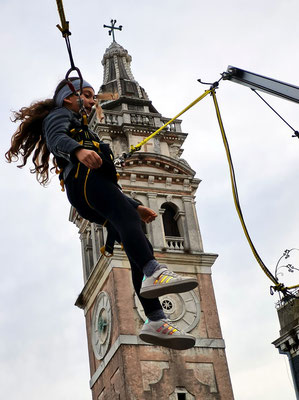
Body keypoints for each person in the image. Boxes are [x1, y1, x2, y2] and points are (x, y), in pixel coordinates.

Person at [6, 77, 199, 350]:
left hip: (96, 188)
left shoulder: (84, 128)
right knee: (129, 226)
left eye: (92, 96)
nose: (91, 101)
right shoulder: (60, 115)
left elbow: (111, 191)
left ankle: (155, 318)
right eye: (85, 95)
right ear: (68, 97)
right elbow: (56, 138)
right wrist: (78, 150)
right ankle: (154, 270)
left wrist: (135, 205)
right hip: (84, 182)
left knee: (136, 244)